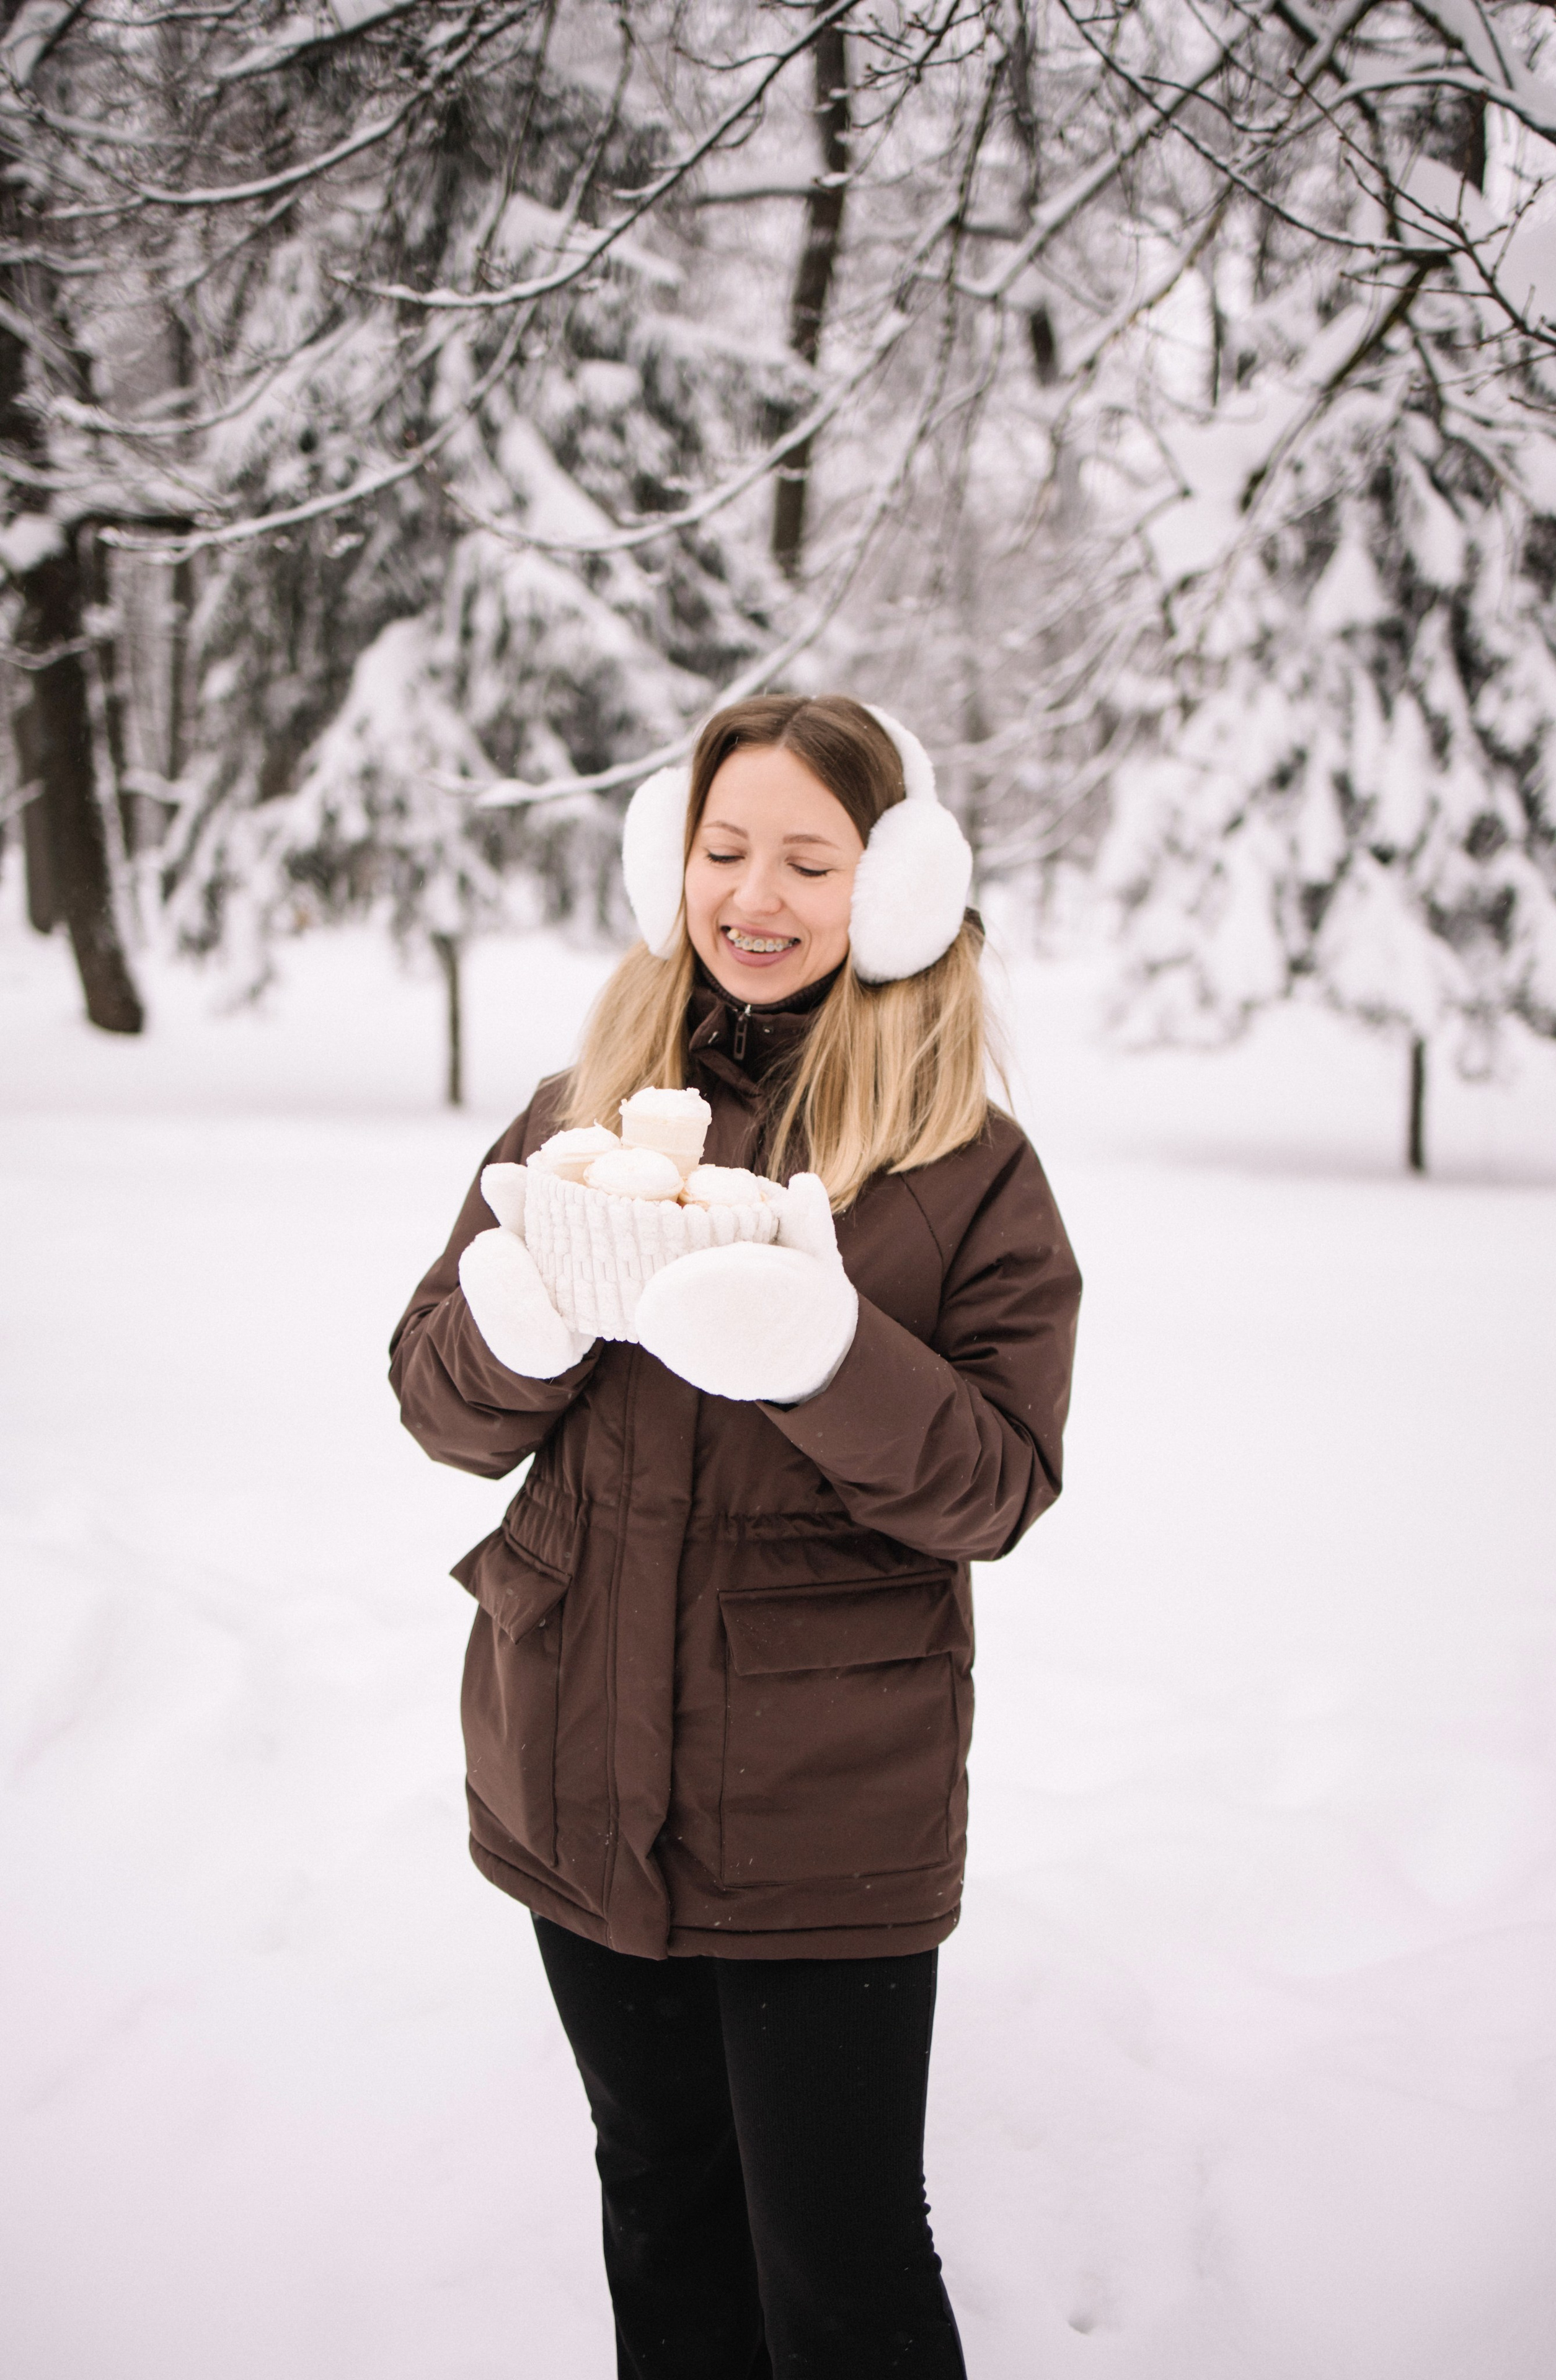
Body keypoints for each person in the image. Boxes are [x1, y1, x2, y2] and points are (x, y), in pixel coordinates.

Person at [391, 694, 1082, 2378]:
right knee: (662, 2203)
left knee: (839, 2268)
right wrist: (518, 1338)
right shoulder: (578, 1109)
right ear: (669, 864)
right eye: (722, 849)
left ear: (897, 886)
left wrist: (829, 1361)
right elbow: (435, 1402)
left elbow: (994, 1484)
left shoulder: (962, 1169)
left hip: (822, 1811)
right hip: (573, 1766)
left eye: (809, 859)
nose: (754, 898)